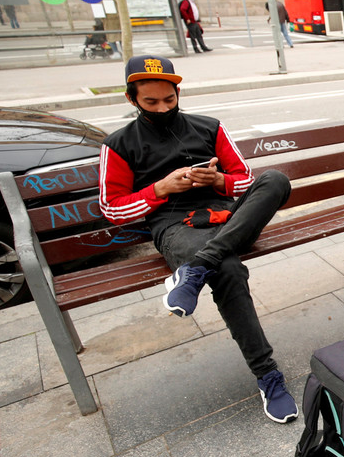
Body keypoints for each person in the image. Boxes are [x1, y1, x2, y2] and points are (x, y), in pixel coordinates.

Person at [98, 55, 299, 424]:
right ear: (131, 99)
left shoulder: (209, 127)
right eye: (151, 102)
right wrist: (160, 188)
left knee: (276, 180)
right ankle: (268, 375)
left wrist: (218, 180)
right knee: (228, 269)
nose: (163, 108)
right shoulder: (119, 144)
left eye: (169, 100)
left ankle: (196, 269)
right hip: (176, 226)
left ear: (178, 93)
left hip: (228, 217)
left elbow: (244, 179)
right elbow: (112, 209)